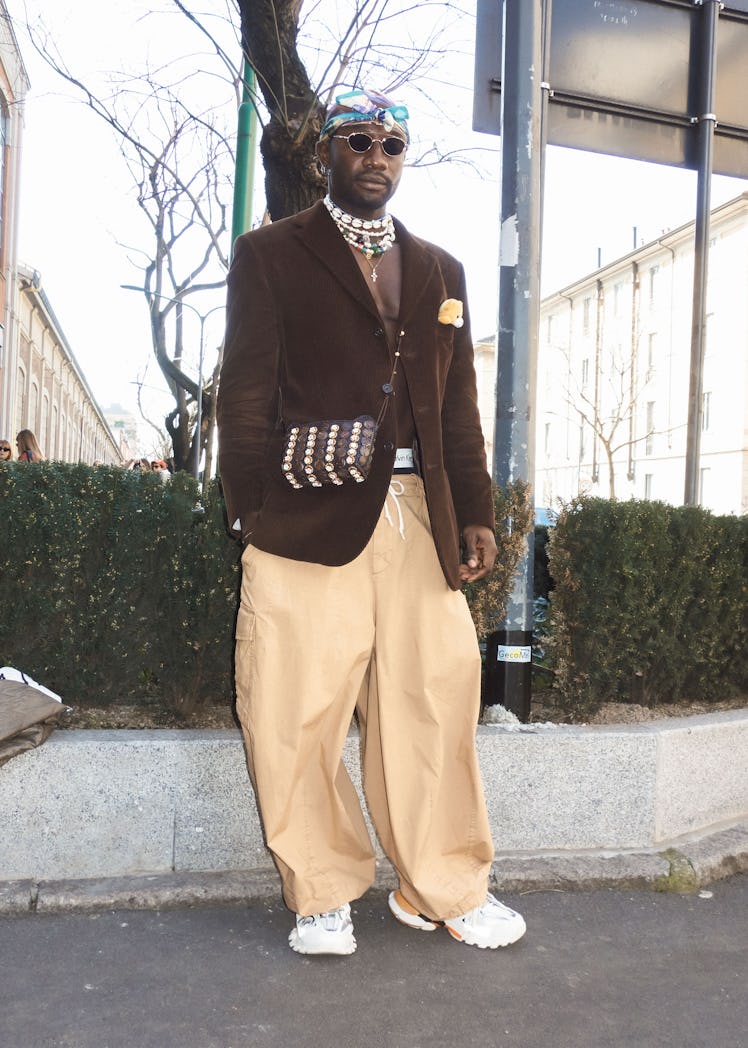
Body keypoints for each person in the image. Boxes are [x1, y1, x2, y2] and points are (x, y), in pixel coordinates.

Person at [217, 88, 526, 957]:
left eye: (393, 143)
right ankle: (321, 887)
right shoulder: (272, 254)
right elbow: (245, 391)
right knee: (296, 703)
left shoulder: (439, 270)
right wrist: (250, 510)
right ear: (328, 154)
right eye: (360, 140)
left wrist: (473, 513)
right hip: (304, 516)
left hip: (416, 514)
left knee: (435, 695)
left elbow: (454, 408)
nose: (378, 156)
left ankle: (443, 886)